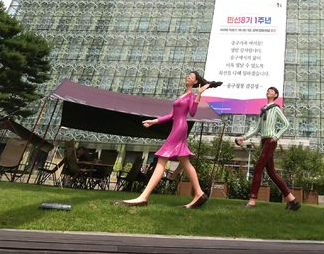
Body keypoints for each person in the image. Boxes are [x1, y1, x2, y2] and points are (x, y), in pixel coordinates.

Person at [118, 71, 219, 208]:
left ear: (195, 82)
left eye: (191, 77)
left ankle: (143, 197)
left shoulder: (191, 96)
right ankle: (199, 193)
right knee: (185, 162)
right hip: (177, 127)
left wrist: (199, 95)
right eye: (188, 76)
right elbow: (172, 115)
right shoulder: (184, 94)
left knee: (162, 159)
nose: (187, 77)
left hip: (179, 128)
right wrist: (154, 121)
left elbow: (193, 113)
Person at [235, 86, 301, 210]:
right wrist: (243, 138)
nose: (268, 91)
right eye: (268, 90)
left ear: (276, 95)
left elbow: (286, 124)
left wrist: (276, 136)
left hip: (270, 141)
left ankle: (252, 201)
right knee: (272, 173)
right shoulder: (263, 110)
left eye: (271, 91)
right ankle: (293, 201)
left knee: (258, 167)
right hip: (264, 141)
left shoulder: (275, 109)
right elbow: (256, 128)